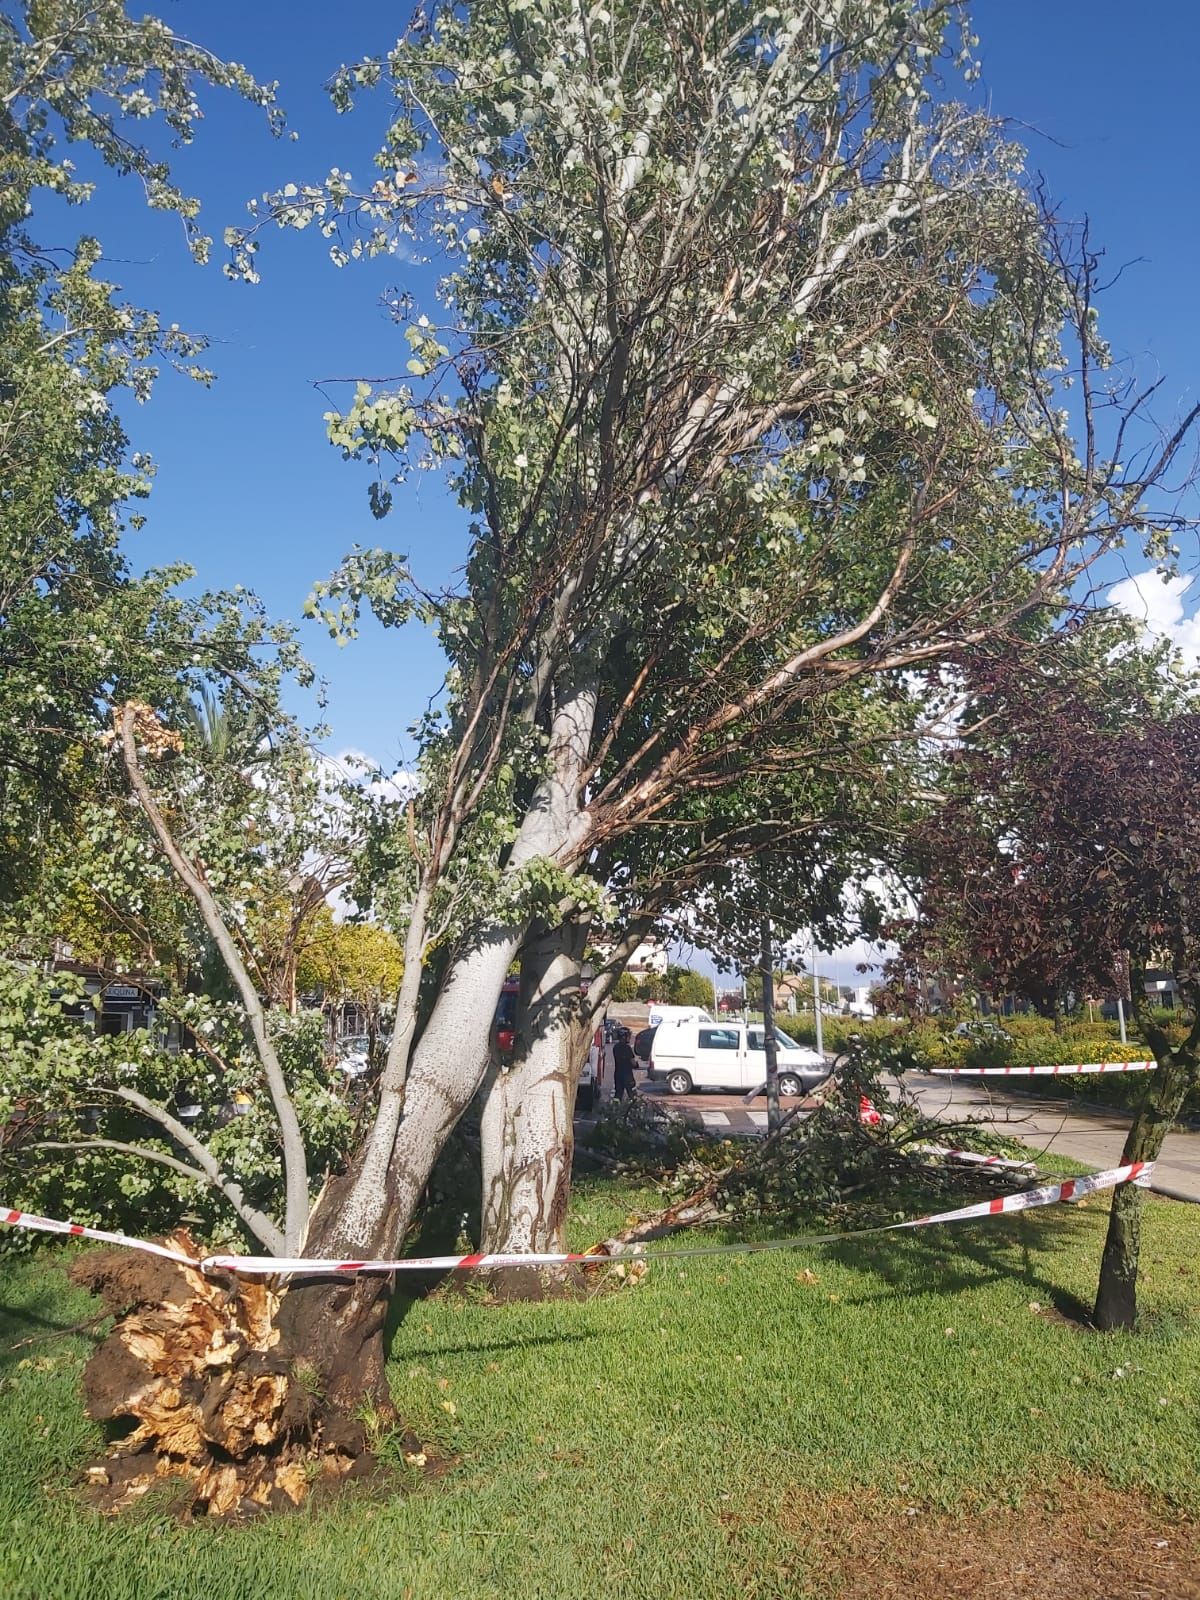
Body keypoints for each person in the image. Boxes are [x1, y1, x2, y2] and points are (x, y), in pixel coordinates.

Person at [613, 1033, 637, 1101]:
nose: (629, 1038)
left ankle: (615, 1108)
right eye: (628, 1036)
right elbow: (633, 1062)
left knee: (618, 1094)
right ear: (624, 1037)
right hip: (627, 1075)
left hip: (618, 1074)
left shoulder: (615, 1047)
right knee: (632, 1094)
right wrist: (636, 1065)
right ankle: (633, 1109)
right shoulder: (627, 1048)